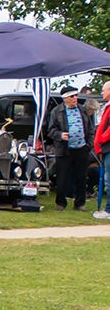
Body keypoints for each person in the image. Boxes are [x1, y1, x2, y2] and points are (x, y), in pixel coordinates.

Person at [45, 84, 93, 210]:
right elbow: (50, 131)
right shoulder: (57, 111)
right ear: (65, 98)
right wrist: (61, 135)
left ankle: (80, 203)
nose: (75, 98)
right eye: (72, 96)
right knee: (62, 177)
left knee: (81, 177)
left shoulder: (82, 110)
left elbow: (90, 128)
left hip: (81, 148)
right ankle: (61, 203)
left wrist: (89, 144)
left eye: (76, 95)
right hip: (65, 149)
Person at [94, 80, 110, 218]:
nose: (102, 92)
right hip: (105, 148)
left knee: (109, 180)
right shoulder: (107, 107)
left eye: (104, 90)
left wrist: (101, 139)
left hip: (108, 147)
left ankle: (109, 210)